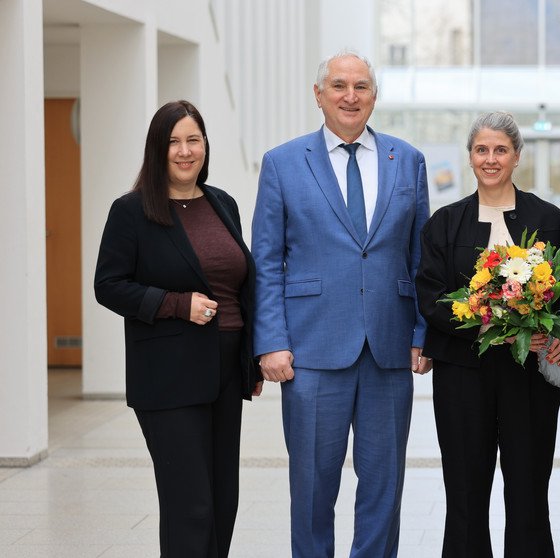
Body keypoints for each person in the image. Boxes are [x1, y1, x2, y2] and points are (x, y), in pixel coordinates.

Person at [251, 51, 431, 557]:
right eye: (338, 86)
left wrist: (422, 334)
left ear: (374, 96)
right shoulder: (283, 163)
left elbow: (421, 260)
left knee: (384, 486)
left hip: (389, 349)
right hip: (309, 351)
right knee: (311, 488)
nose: (350, 96)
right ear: (318, 95)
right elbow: (265, 262)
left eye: (361, 87)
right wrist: (271, 343)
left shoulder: (407, 160)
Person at [94, 100, 263, 557]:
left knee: (223, 500)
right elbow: (108, 285)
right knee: (191, 505)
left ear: (205, 145)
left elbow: (240, 284)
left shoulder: (222, 203)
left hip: (227, 371)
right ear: (157, 149)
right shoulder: (131, 211)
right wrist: (175, 304)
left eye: (193, 140)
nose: (185, 151)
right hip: (168, 377)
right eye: (173, 142)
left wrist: (253, 360)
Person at [415, 111, 560, 557]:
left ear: (517, 156)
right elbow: (430, 296)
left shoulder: (548, 218)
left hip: (529, 378)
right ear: (470, 157)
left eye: (500, 150)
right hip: (463, 374)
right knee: (465, 493)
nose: (491, 159)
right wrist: (487, 324)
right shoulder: (445, 224)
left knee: (528, 491)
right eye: (482, 149)